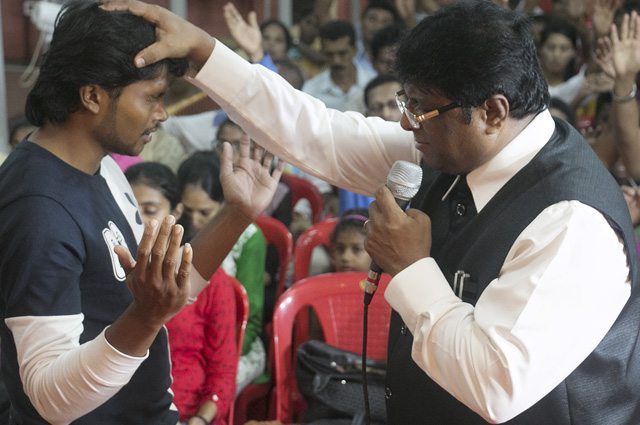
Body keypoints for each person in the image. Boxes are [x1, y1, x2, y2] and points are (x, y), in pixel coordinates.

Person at [105, 0, 640, 424]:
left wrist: (411, 269)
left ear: (493, 112)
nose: (406, 124)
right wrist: (205, 55)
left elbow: (497, 386)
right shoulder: (452, 146)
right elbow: (318, 134)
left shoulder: (573, 222)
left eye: (418, 108)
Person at [0, 1, 284, 424]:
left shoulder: (101, 166)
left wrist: (237, 213)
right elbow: (48, 400)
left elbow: (166, 295)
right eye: (153, 97)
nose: (162, 114)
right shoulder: (38, 209)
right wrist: (146, 316)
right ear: (92, 96)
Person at [125, 162, 238, 425]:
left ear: (176, 212)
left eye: (149, 210)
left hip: (188, 413)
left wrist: (200, 420)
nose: (138, 219)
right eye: (129, 208)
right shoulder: (111, 268)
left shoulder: (208, 279)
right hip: (124, 409)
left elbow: (222, 371)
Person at [177, 150, 268, 394]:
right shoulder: (177, 228)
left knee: (209, 388)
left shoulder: (249, 238)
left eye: (204, 212)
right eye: (187, 211)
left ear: (226, 204)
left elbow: (252, 317)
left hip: (236, 343)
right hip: (186, 341)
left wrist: (219, 358)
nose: (193, 221)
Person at [302, 20, 376, 112]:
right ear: (322, 52)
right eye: (329, 54)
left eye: (342, 53)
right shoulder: (311, 90)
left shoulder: (374, 83)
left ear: (355, 50)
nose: (336, 61)